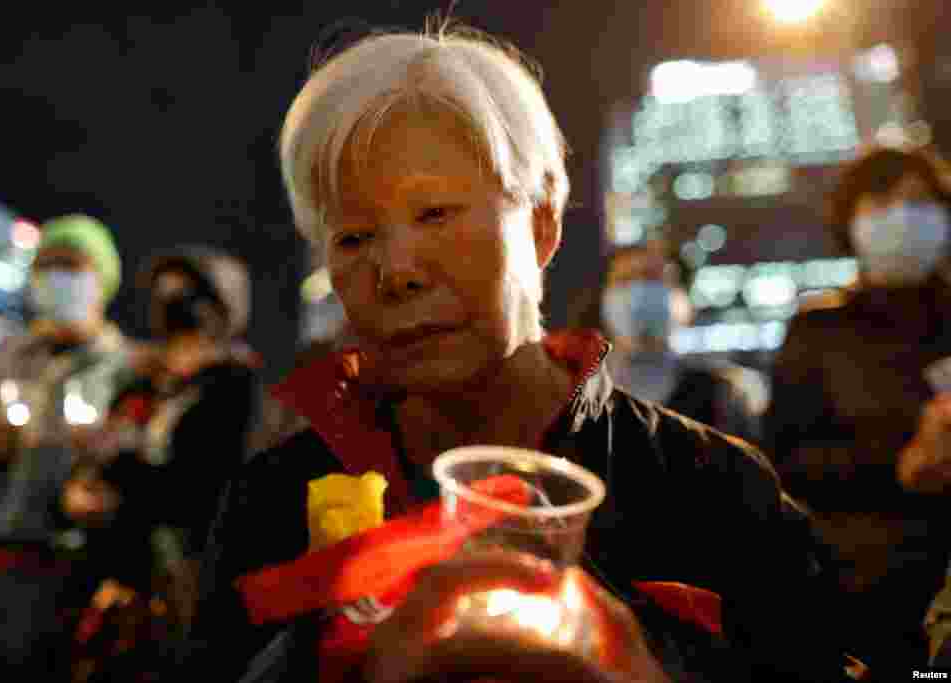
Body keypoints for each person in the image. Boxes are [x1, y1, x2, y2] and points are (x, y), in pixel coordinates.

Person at [191, 24, 863, 682]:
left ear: (542, 222)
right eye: (354, 238)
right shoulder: (271, 504)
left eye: (435, 214)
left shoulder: (707, 487)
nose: (396, 270)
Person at [764, 145, 951, 678]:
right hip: (865, 589)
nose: (902, 215)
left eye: (918, 200)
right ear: (850, 223)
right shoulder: (818, 331)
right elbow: (786, 461)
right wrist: (900, 463)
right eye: (881, 202)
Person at [0, 214, 134, 680]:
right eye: (48, 265)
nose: (59, 278)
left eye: (73, 265)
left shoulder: (128, 374)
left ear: (102, 279)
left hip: (64, 583)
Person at [61, 246, 263, 680]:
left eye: (187, 290)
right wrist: (82, 484)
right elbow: (100, 458)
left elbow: (198, 490)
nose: (172, 299)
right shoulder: (141, 383)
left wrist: (120, 467)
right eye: (163, 290)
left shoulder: (236, 388)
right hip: (106, 584)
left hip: (178, 596)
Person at [573, 241, 765, 443]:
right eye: (625, 280)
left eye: (653, 278)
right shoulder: (577, 398)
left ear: (682, 298)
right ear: (604, 297)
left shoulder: (724, 399)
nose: (639, 291)